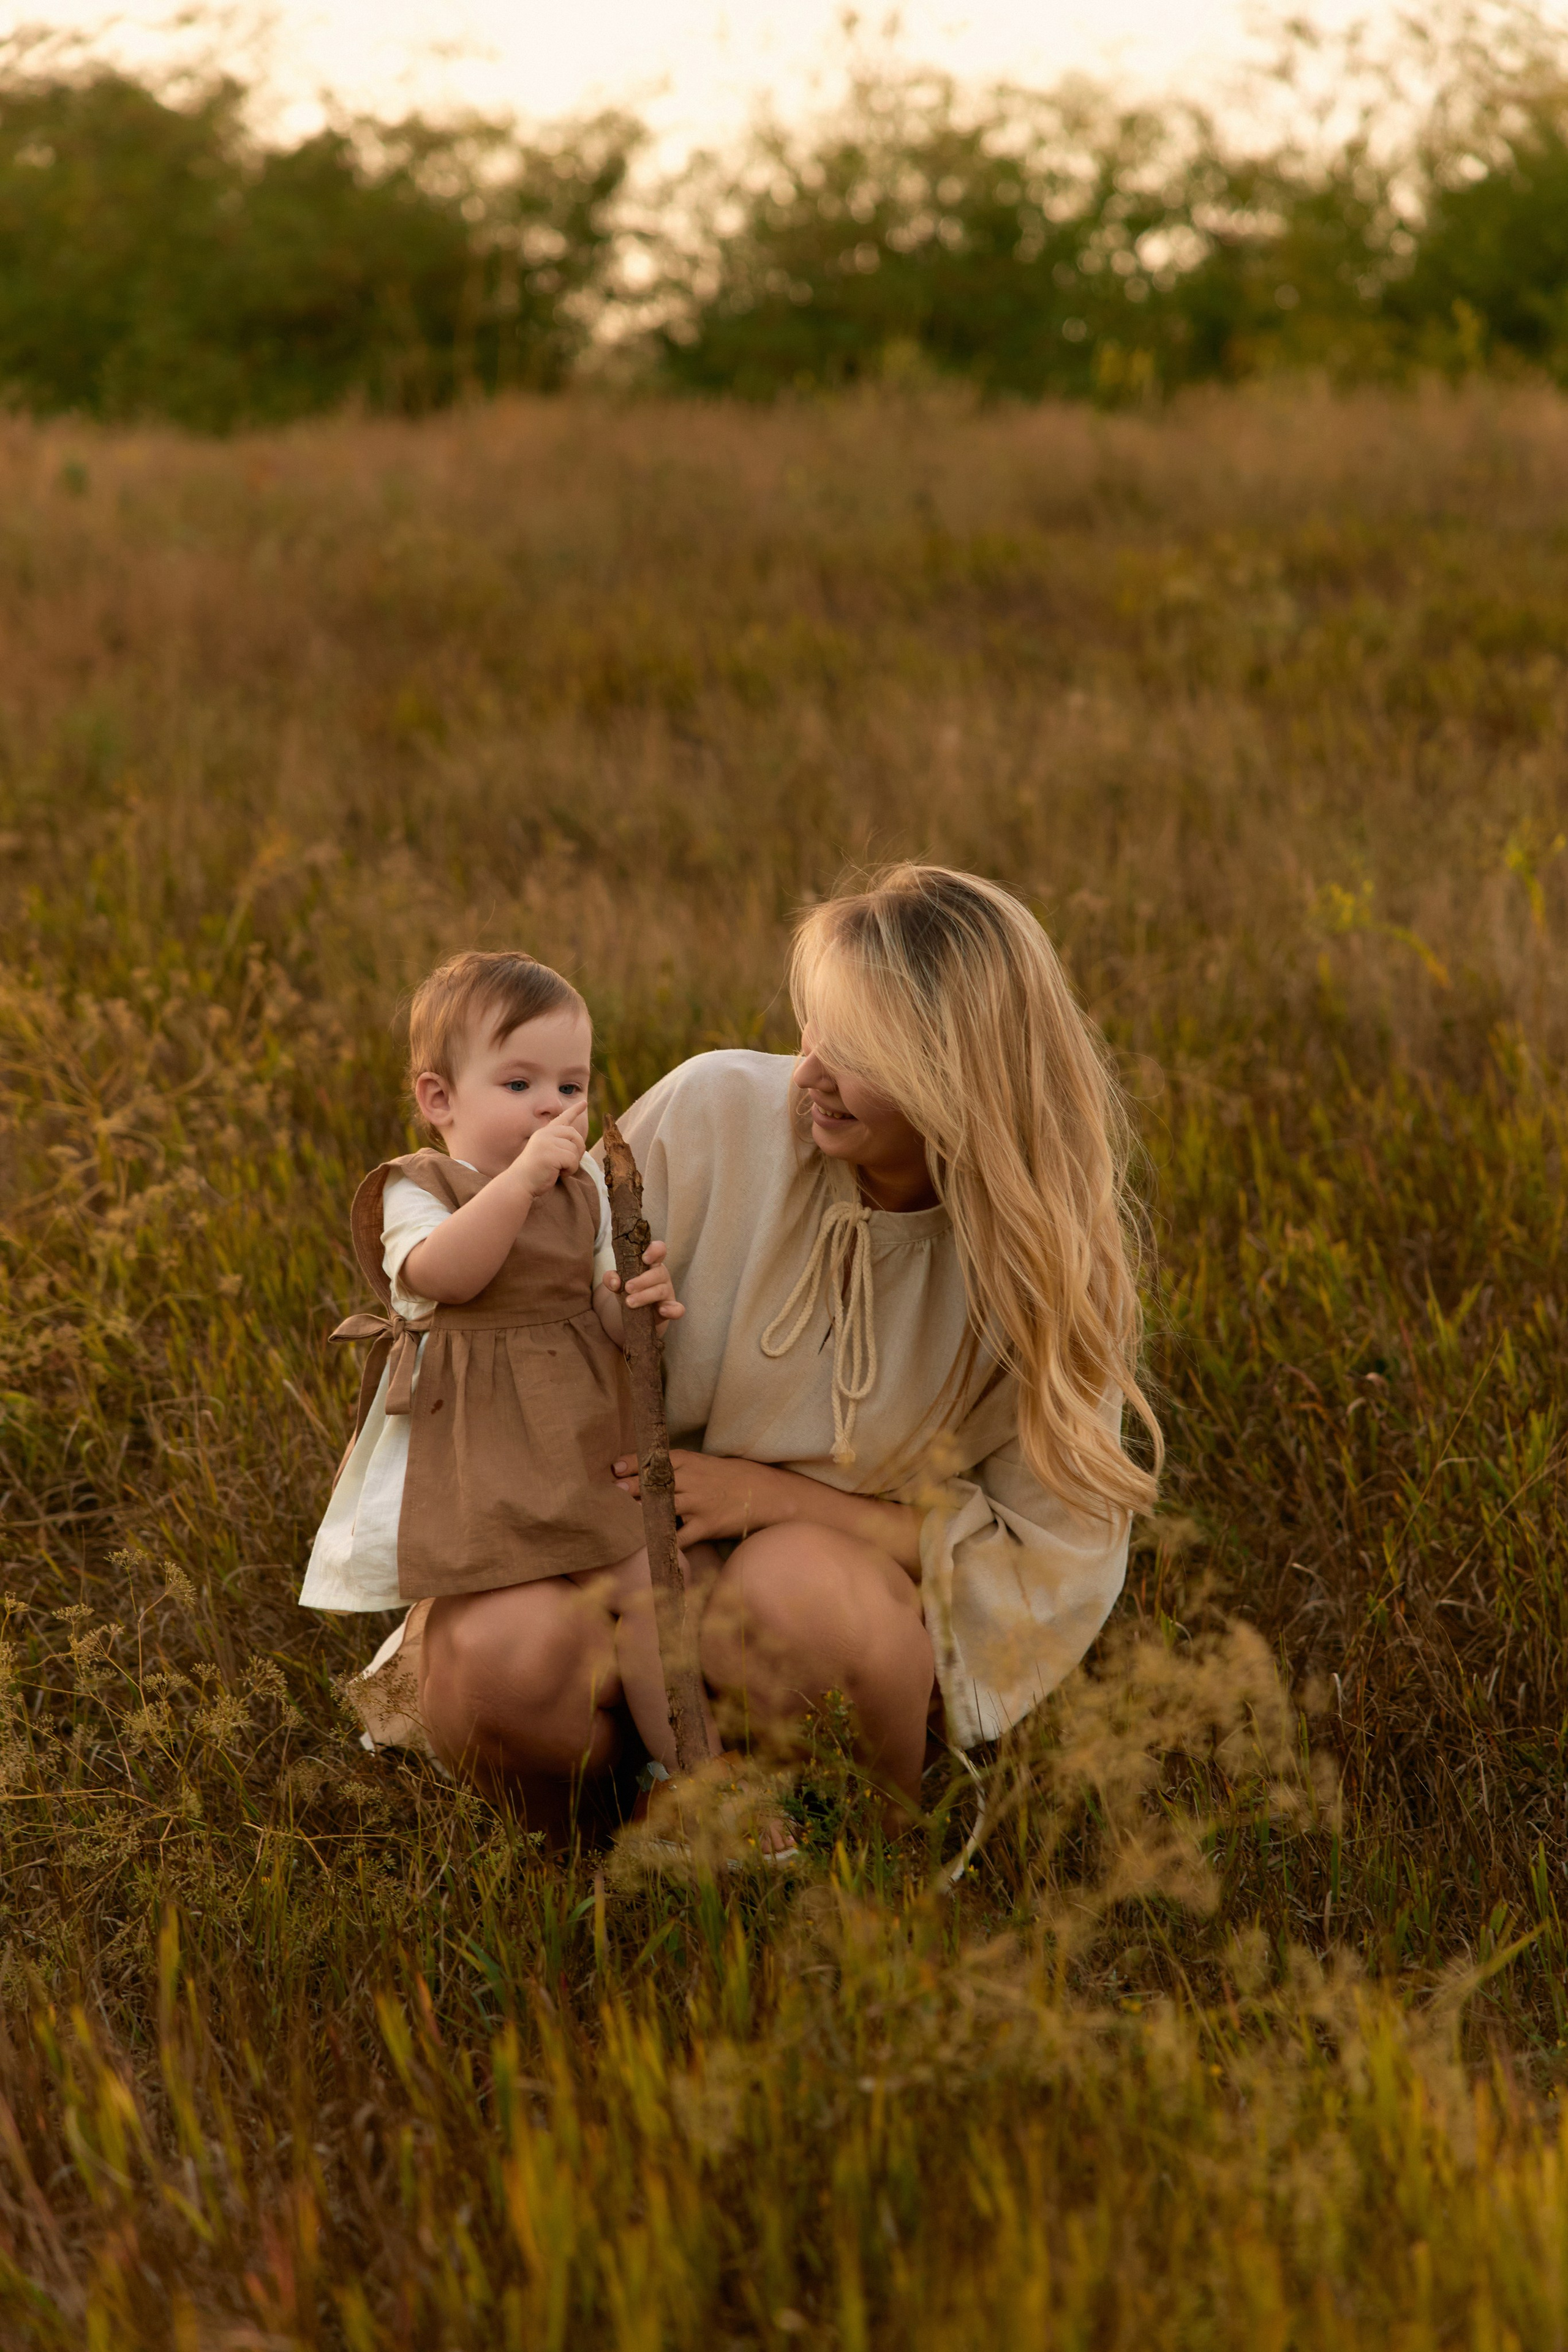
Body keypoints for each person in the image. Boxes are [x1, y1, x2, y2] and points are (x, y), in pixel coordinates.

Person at [341, 865, 1161, 1836]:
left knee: (798, 1589)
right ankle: (610, 1861)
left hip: (829, 1622)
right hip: (620, 1559)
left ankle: (858, 1853)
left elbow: (1043, 1552)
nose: (806, 1070)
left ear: (958, 1074)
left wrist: (770, 1500)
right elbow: (528, 1315)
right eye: (814, 1027)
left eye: (854, 1052)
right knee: (494, 1657)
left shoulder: (1048, 1265)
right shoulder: (716, 1112)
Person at [299, 949, 697, 1801]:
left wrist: (634, 1300)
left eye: (571, 1085)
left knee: (653, 1590)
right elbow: (446, 1277)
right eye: (519, 1085)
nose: (552, 1107)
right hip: (477, 1439)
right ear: (439, 1098)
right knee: (503, 1595)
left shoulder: (585, 1187)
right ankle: (453, 1710)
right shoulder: (423, 1186)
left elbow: (596, 1304)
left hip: (579, 1428)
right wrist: (519, 1181)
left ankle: (686, 1772)